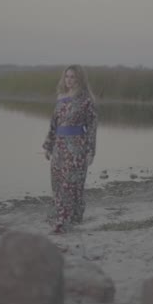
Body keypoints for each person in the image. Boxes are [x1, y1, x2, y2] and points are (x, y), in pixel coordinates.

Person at [42, 65, 97, 234]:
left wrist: (90, 151)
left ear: (80, 79)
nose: (69, 80)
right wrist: (48, 145)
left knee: (71, 184)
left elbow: (92, 127)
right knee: (57, 183)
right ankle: (61, 217)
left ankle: (64, 221)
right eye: (67, 77)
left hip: (76, 149)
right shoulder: (60, 97)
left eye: (73, 77)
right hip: (59, 147)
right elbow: (54, 123)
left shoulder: (86, 100)